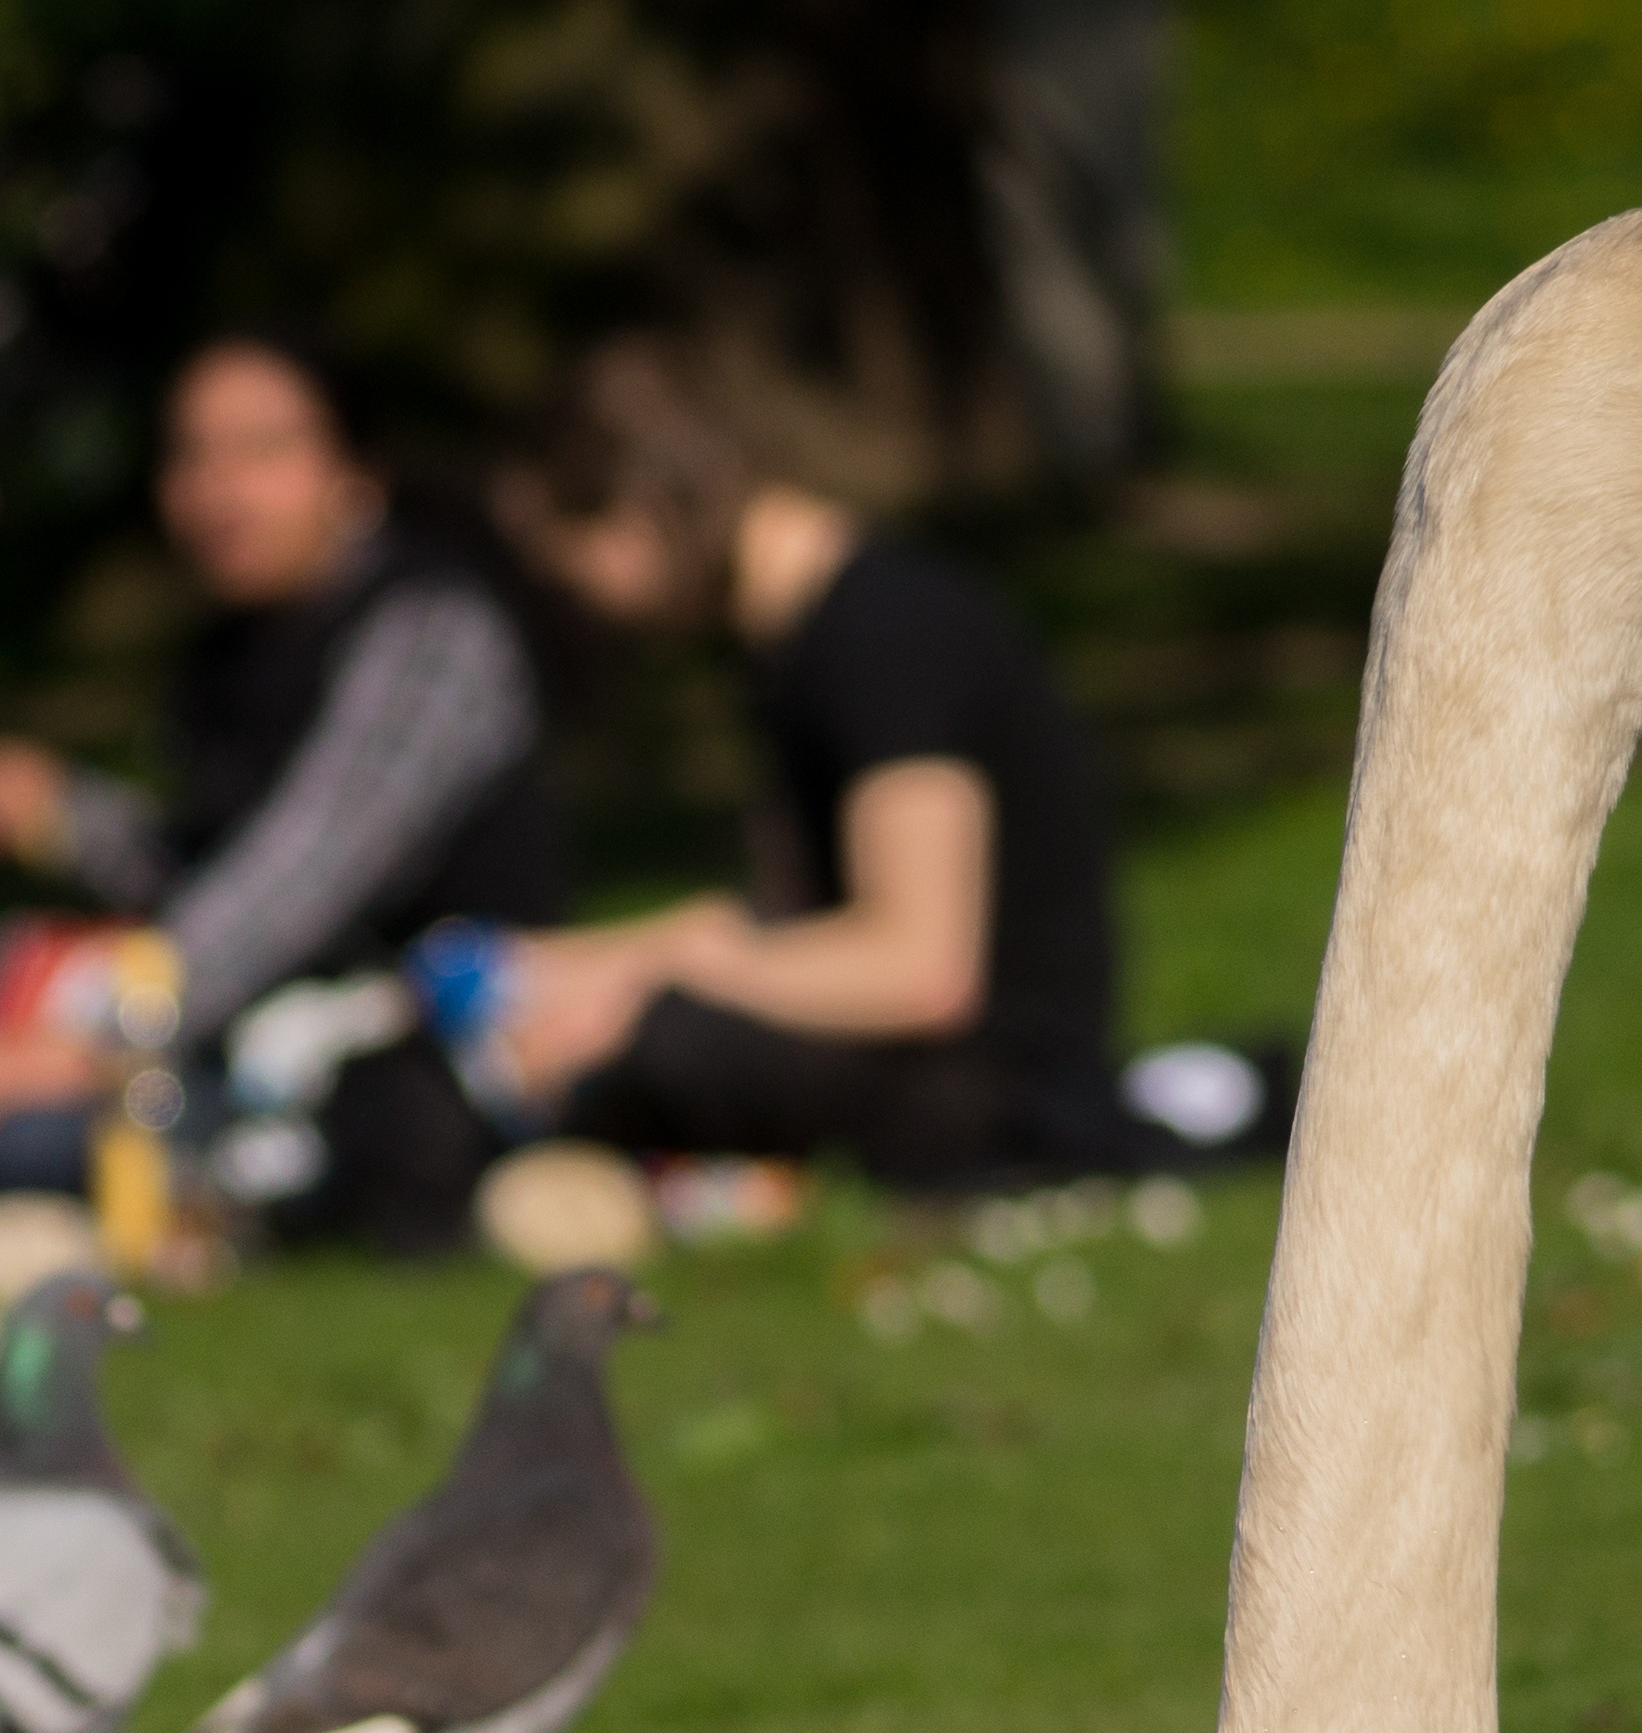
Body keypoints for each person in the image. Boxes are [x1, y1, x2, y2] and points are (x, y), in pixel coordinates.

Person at [0, 336, 568, 1296]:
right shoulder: (233, 648)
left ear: (357, 475)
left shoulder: (431, 637)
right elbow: (201, 872)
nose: (218, 488)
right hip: (198, 1032)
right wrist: (68, 816)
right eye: (191, 455)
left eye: (262, 450)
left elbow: (298, 883)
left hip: (355, 1081)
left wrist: (93, 1039)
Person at [485, 339, 1233, 1196]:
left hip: (994, 1081)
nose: (577, 604)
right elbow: (794, 919)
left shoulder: (883, 636)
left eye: (570, 568)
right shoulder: (794, 646)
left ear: (641, 510)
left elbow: (921, 969)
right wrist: (563, 968)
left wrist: (646, 990)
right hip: (922, 1058)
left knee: (669, 1046)